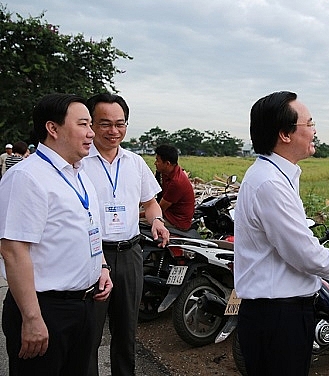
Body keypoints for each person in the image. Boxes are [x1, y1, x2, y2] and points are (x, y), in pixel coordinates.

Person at [234, 91, 329, 376]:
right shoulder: (270, 184)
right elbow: (305, 254)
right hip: (278, 317)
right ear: (285, 134)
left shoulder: (277, 176)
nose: (314, 131)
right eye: (309, 124)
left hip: (276, 314)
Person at [0, 93, 113, 375]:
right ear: (53, 128)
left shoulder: (80, 173)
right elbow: (13, 250)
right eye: (84, 124)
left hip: (83, 305)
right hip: (46, 309)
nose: (91, 133)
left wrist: (101, 266)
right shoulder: (27, 176)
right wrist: (32, 317)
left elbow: (86, 228)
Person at [82, 92, 170, 376]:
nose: (113, 131)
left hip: (130, 253)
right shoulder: (78, 162)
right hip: (93, 254)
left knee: (126, 332)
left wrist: (157, 221)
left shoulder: (135, 162)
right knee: (89, 334)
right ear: (91, 124)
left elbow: (150, 202)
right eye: (105, 124)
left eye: (120, 124)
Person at [141, 144, 195, 230]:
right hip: (168, 213)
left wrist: (135, 216)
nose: (155, 163)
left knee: (138, 223)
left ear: (167, 163)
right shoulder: (166, 172)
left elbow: (160, 209)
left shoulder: (177, 183)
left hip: (175, 220)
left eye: (157, 160)